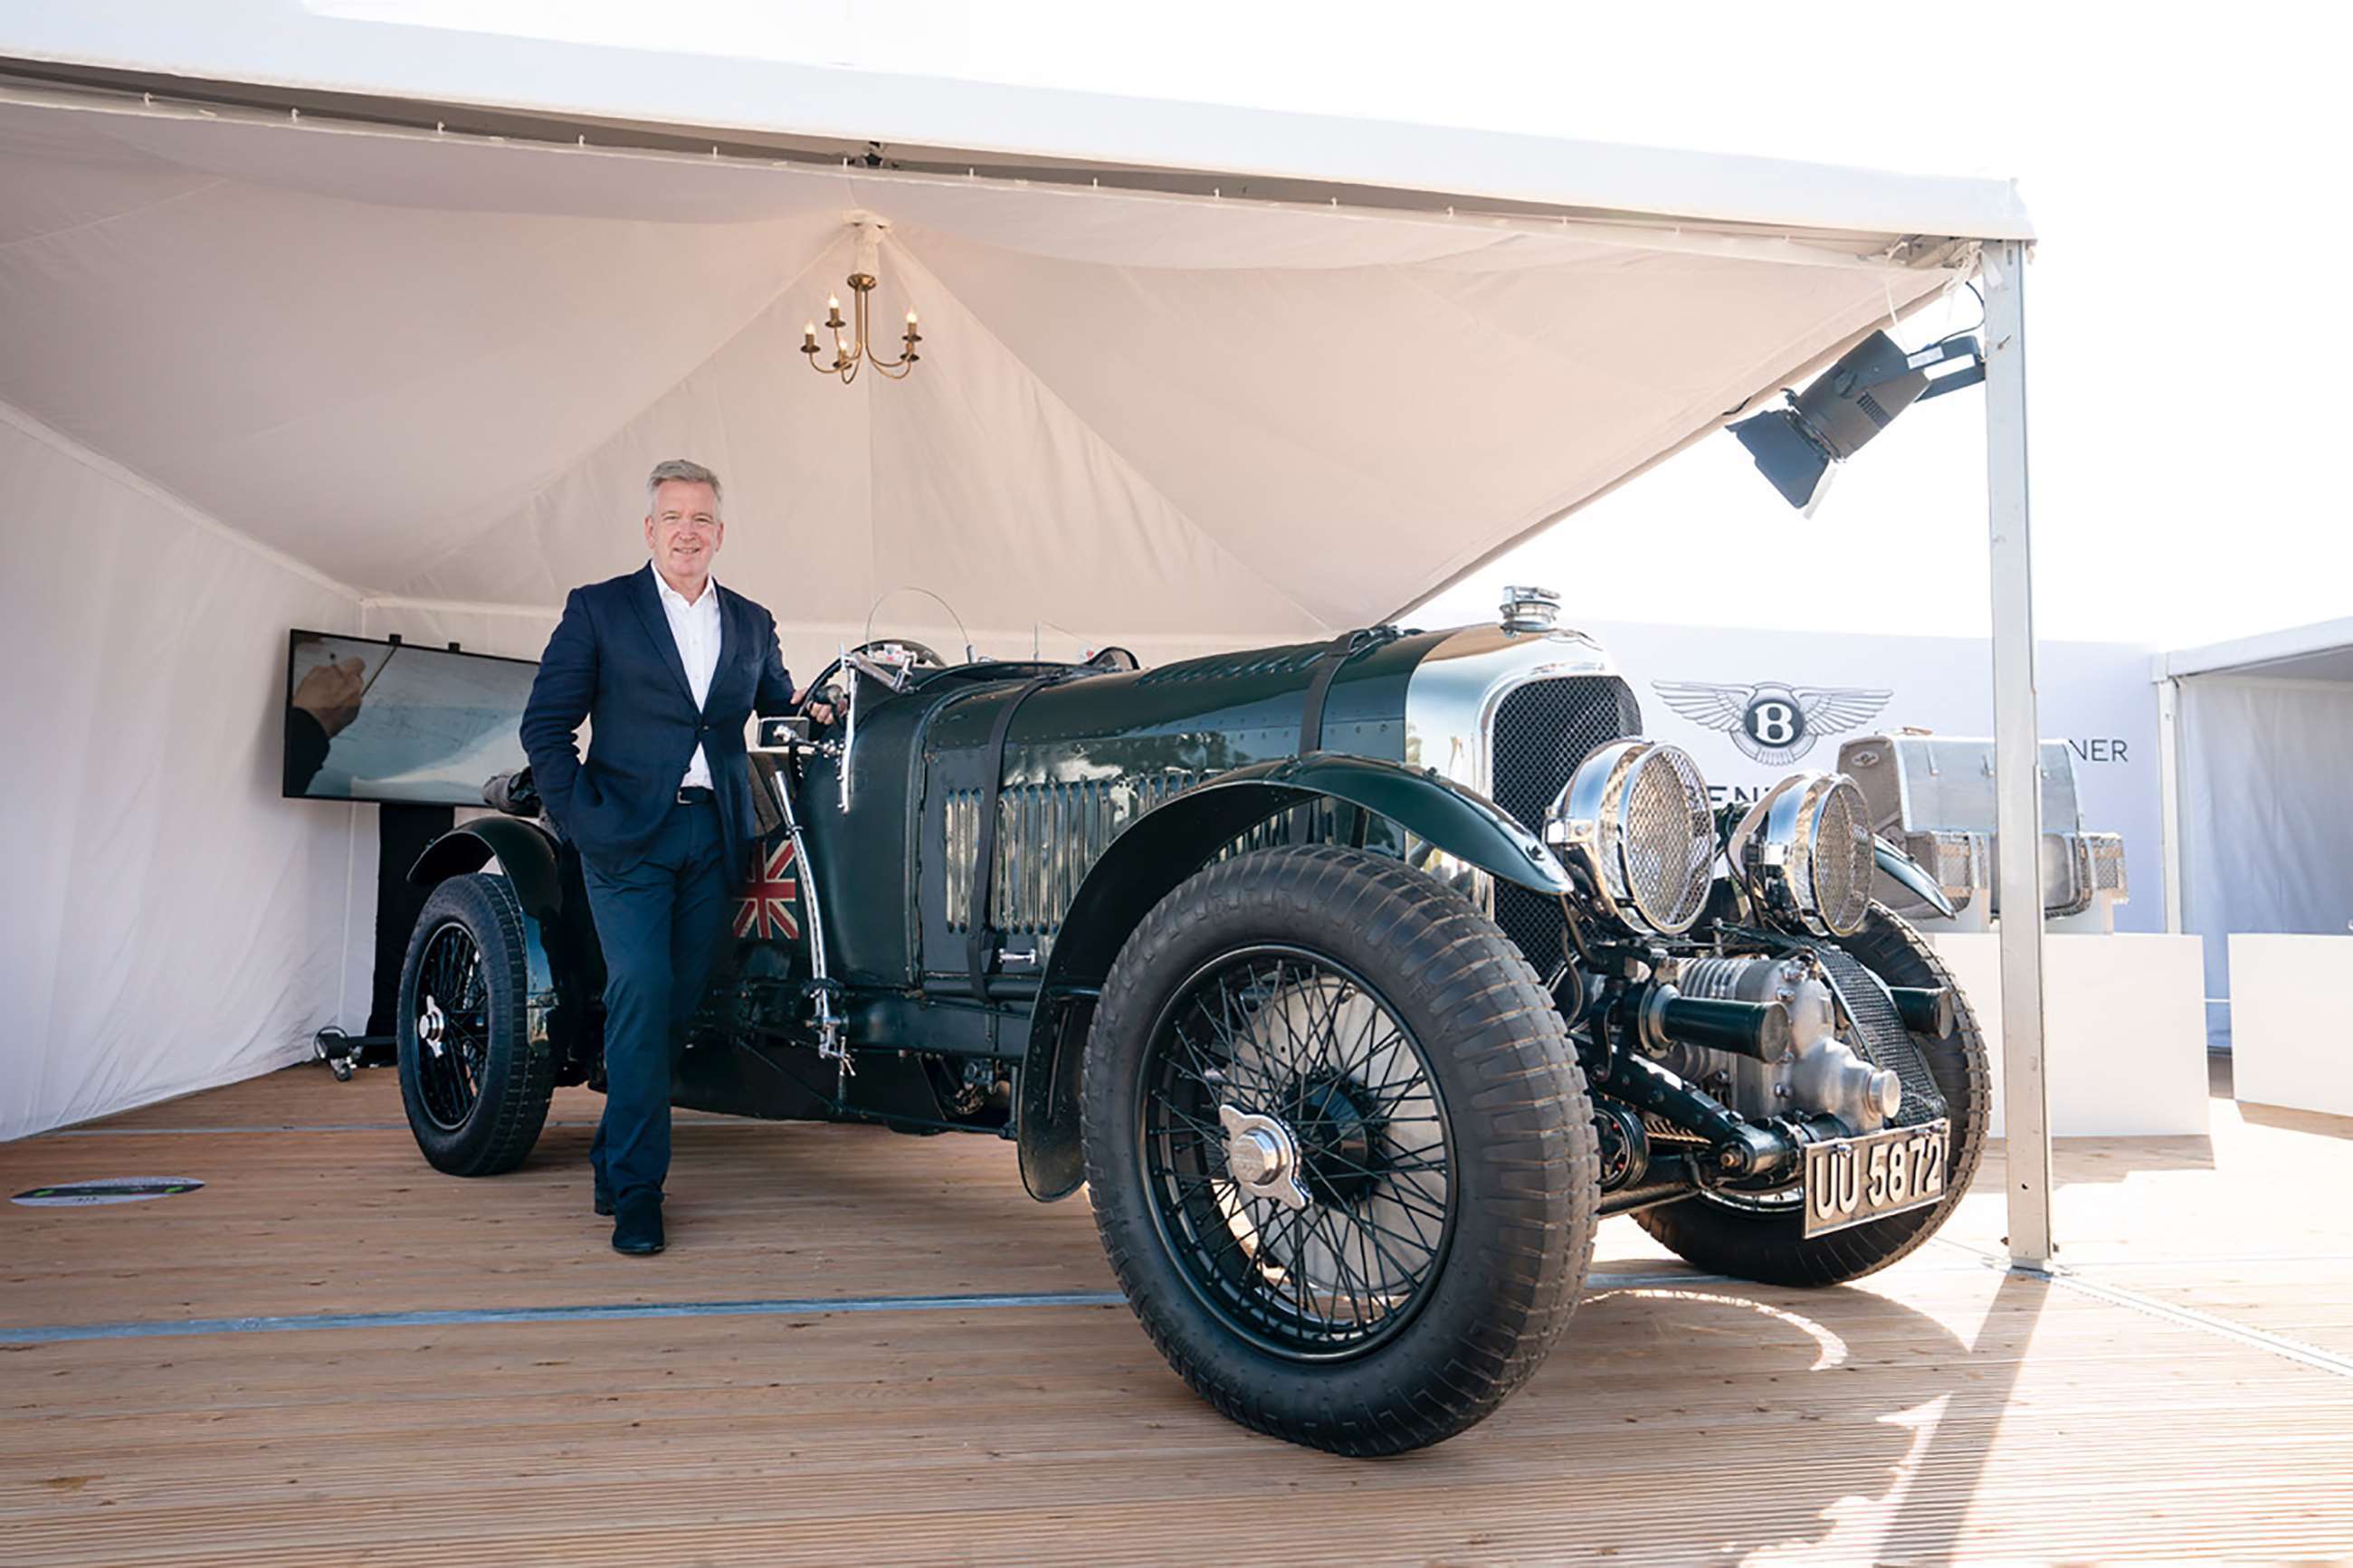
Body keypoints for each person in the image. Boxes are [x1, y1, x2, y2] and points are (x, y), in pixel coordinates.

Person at [519, 458, 804, 1256]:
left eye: (701, 518)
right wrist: (582, 818)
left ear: (720, 532)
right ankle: (640, 1192)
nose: (688, 531)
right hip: (626, 838)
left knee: (675, 1006)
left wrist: (821, 706)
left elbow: (780, 709)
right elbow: (545, 725)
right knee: (641, 989)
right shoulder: (599, 608)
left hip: (714, 838)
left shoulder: (751, 622)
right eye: (673, 517)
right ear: (650, 530)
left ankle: (613, 1155)